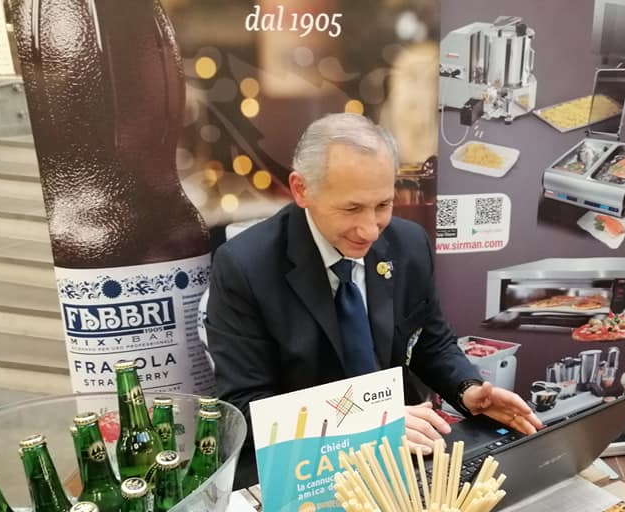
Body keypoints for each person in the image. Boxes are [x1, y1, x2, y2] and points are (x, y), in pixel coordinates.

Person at [205, 113, 540, 487]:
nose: (369, 230)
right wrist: (369, 426)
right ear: (302, 190)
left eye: (383, 205)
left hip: (406, 449)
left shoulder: (408, 243)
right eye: (351, 208)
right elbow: (246, 409)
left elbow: (431, 342)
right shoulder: (245, 266)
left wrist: (468, 389)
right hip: (310, 469)